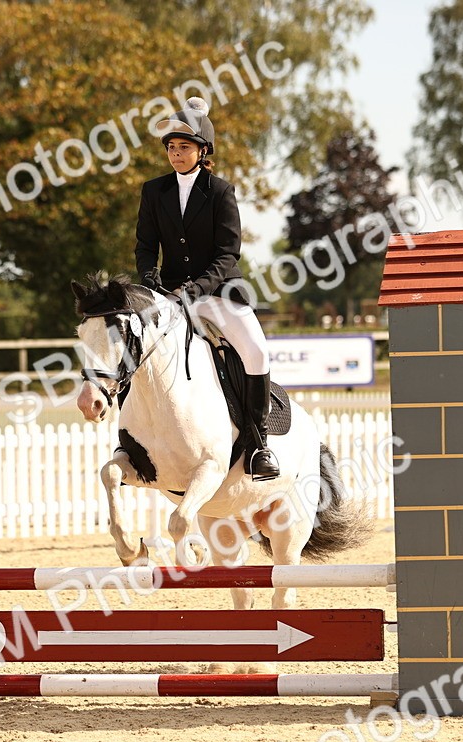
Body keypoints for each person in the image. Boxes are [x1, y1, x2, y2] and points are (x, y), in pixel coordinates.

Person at [134, 96, 279, 481]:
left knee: (256, 351)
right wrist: (149, 278)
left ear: (203, 150)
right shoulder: (153, 191)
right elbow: (145, 246)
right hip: (169, 295)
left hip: (218, 292)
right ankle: (133, 435)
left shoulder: (220, 191)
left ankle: (259, 442)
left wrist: (197, 288)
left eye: (184, 147)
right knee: (133, 344)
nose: (176, 154)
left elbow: (228, 252)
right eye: (171, 147)